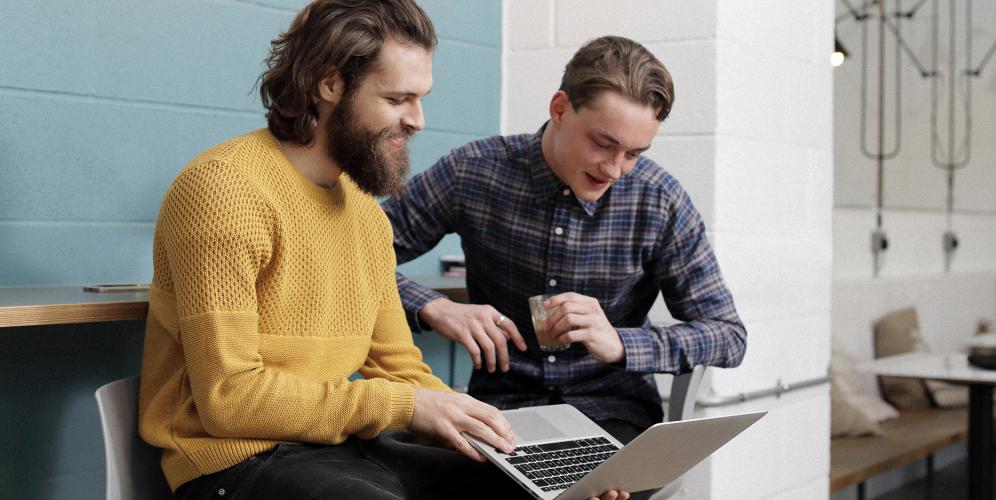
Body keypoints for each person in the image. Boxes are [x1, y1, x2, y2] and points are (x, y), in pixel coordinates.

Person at [138, 2, 629, 499]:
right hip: (235, 463)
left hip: (342, 450)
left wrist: (505, 440)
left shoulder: (366, 216)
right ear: (330, 85)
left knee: (541, 494)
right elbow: (230, 400)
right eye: (398, 99)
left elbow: (399, 368)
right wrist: (408, 407)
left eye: (420, 99)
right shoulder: (224, 191)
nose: (418, 120)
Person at [383, 35, 747, 498]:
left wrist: (620, 343)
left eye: (635, 154)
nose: (616, 169)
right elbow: (354, 256)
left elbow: (728, 335)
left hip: (616, 417)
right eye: (603, 143)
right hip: (499, 412)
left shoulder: (659, 199)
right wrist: (433, 307)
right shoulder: (473, 171)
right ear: (559, 108)